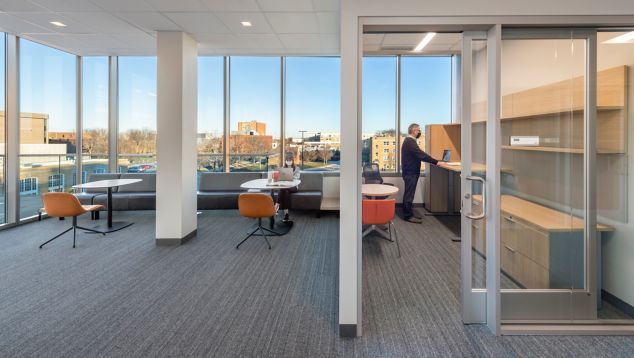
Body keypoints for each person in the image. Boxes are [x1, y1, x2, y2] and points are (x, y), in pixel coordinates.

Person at [401, 123, 446, 223]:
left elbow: (420, 155)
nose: (419, 132)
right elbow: (421, 155)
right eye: (418, 130)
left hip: (410, 172)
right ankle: (408, 216)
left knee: (410, 194)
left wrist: (435, 161)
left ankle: (409, 213)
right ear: (413, 131)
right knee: (409, 195)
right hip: (410, 172)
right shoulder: (410, 142)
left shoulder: (410, 141)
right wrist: (436, 162)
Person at [277, 153, 301, 223]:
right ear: (285, 161)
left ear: (292, 161)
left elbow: (297, 178)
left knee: (283, 189)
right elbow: (280, 178)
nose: (288, 161)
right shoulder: (283, 168)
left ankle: (277, 204)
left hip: (293, 187)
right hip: (286, 187)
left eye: (290, 160)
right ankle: (286, 215)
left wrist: (288, 176)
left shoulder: (297, 168)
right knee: (286, 192)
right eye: (287, 160)